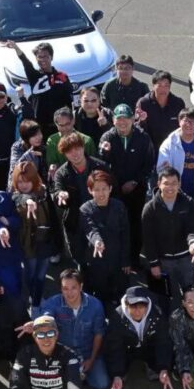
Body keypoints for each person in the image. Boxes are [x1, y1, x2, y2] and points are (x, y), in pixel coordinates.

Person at [31, 269, 109, 389]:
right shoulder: (53, 302)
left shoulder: (95, 305)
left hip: (87, 352)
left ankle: (77, 374)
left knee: (101, 383)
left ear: (81, 287)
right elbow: (47, 317)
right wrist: (38, 323)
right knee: (53, 384)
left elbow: (99, 334)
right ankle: (74, 374)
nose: (69, 293)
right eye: (65, 288)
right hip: (63, 353)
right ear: (61, 289)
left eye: (73, 288)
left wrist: (91, 359)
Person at [98, 103, 154, 267]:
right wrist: (104, 152)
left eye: (126, 118)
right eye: (119, 119)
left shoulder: (143, 137)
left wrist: (134, 181)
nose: (122, 122)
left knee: (135, 223)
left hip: (136, 189)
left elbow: (149, 164)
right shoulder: (107, 137)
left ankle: (134, 257)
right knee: (114, 224)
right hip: (114, 190)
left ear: (133, 119)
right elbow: (101, 165)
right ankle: (116, 257)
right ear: (113, 120)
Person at [141, 168, 194, 304]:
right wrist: (153, 263)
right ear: (158, 184)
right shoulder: (150, 208)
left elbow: (192, 228)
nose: (170, 187)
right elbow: (148, 239)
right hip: (162, 259)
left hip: (185, 258)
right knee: (161, 296)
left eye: (174, 183)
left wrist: (193, 242)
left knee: (189, 292)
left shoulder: (189, 202)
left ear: (179, 184)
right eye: (166, 183)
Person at [104, 286, 175, 389]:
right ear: (126, 304)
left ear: (147, 304)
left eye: (141, 306)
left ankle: (152, 366)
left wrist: (164, 368)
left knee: (159, 365)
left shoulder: (157, 313)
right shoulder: (117, 316)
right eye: (133, 306)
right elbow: (114, 347)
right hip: (126, 348)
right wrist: (116, 374)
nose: (137, 311)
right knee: (118, 372)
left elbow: (163, 341)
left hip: (148, 345)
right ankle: (121, 371)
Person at [79, 171, 131, 311]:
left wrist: (126, 260)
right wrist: (97, 241)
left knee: (121, 295)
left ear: (110, 189)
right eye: (96, 189)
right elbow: (90, 229)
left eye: (104, 189)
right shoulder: (85, 209)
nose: (101, 193)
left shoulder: (119, 206)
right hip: (96, 260)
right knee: (100, 295)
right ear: (90, 190)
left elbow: (126, 234)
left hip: (117, 259)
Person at [11, 161, 60, 309]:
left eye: (27, 181)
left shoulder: (43, 192)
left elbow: (53, 216)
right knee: (30, 273)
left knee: (41, 275)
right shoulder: (15, 196)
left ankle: (37, 299)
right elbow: (20, 199)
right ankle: (30, 299)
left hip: (45, 241)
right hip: (27, 244)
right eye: (20, 181)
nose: (23, 185)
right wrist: (29, 200)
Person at [52, 133, 110, 258]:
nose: (75, 154)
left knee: (103, 255)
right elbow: (57, 191)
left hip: (101, 219)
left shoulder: (100, 167)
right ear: (64, 154)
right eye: (69, 151)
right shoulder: (61, 173)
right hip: (75, 221)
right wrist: (60, 195)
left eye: (77, 148)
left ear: (83, 147)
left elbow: (113, 192)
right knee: (79, 256)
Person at [7, 40, 73, 138]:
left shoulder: (62, 76)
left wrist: (70, 122)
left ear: (51, 57)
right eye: (39, 57)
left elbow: (69, 102)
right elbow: (26, 62)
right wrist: (16, 48)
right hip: (40, 126)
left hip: (60, 125)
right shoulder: (34, 76)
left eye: (45, 56)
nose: (42, 59)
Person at [157, 108, 194, 203]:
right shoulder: (168, 144)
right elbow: (161, 171)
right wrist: (165, 170)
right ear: (179, 122)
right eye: (186, 121)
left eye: (192, 122)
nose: (189, 124)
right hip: (175, 194)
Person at [136, 69, 186, 150]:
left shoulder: (178, 103)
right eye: (159, 85)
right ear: (153, 86)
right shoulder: (144, 103)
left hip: (172, 147)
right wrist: (142, 120)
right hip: (149, 147)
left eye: (166, 85)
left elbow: (183, 126)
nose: (163, 89)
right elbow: (137, 129)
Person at [9, 119, 46, 190]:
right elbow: (14, 169)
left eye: (39, 134)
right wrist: (28, 155)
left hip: (38, 187)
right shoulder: (17, 147)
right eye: (34, 136)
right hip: (21, 186)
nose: (38, 138)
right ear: (26, 137)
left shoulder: (42, 147)